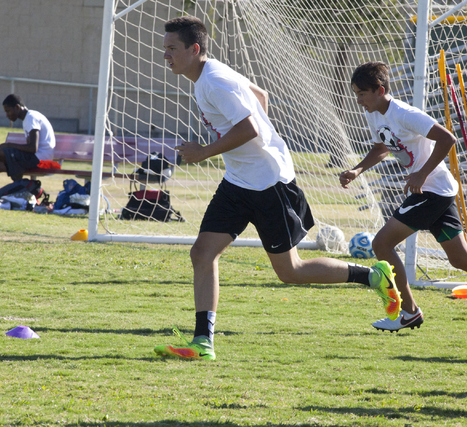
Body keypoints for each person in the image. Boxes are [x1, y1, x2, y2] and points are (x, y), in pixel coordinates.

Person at [153, 16, 401, 361]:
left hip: (269, 184)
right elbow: (260, 95)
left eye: (172, 48)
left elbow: (250, 128)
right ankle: (203, 342)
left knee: (290, 272)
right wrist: (256, 149)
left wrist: (204, 153)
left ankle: (372, 276)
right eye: (164, 48)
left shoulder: (215, 83)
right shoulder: (207, 75)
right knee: (202, 253)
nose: (165, 55)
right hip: (240, 181)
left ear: (194, 50)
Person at [339, 61, 467, 337]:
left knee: (381, 243)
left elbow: (447, 138)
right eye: (356, 95)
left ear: (380, 90)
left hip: (431, 191)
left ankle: (409, 312)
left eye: (361, 94)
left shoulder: (405, 113)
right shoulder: (374, 114)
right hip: (437, 192)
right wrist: (357, 169)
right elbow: (382, 147)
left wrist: (421, 174)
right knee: (462, 259)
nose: (358, 100)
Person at [0, 94, 55, 200]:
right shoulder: (29, 118)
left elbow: (33, 148)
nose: (7, 115)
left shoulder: (31, 118)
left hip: (39, 159)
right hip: (39, 158)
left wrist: (8, 145)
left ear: (17, 107)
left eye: (8, 111)